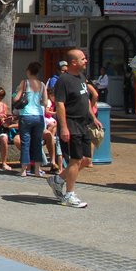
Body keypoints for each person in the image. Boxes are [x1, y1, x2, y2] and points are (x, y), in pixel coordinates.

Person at [47, 48, 102, 208]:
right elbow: (60, 104)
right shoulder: (64, 80)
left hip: (83, 124)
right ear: (74, 62)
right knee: (75, 160)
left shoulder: (81, 77)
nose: (86, 61)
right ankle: (69, 195)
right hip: (71, 124)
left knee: (86, 159)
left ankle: (57, 180)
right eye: (83, 59)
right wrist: (63, 128)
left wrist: (93, 117)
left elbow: (85, 101)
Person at [11, 62, 49, 177]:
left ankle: (23, 170)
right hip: (38, 116)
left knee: (25, 143)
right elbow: (46, 102)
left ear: (28, 70)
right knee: (37, 143)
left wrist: (17, 98)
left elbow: (16, 98)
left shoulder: (25, 83)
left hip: (26, 115)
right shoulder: (42, 84)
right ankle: (37, 170)